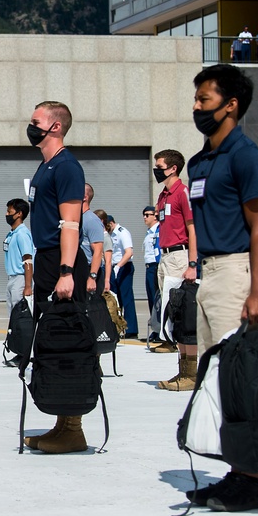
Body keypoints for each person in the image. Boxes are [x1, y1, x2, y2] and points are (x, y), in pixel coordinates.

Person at [184, 63, 258, 512]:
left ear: (231, 104)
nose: (197, 107)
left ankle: (253, 481)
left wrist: (257, 290)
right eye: (196, 99)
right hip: (209, 274)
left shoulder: (245, 155)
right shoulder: (200, 161)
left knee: (241, 378)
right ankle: (236, 472)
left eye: (204, 100)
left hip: (239, 272)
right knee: (217, 379)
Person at [23, 102, 91, 453]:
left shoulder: (67, 167)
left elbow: (71, 224)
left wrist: (67, 272)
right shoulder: (44, 167)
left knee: (69, 343)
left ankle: (73, 427)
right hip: (47, 259)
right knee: (49, 343)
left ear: (56, 127)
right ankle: (60, 421)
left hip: (63, 263)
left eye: (36, 121)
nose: (30, 126)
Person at [152, 148, 200, 383]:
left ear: (173, 168)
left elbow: (192, 228)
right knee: (172, 313)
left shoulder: (183, 192)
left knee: (184, 312)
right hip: (165, 256)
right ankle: (183, 368)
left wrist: (192, 263)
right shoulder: (163, 195)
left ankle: (191, 371)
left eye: (159, 167)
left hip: (180, 256)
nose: (156, 171)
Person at [2, 198, 34, 366]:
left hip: (20, 278)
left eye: (10, 211)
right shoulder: (12, 233)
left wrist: (28, 286)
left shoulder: (22, 233)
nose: (7, 214)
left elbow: (28, 260)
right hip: (11, 279)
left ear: (19, 213)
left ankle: (25, 354)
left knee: (21, 320)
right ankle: (18, 351)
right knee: (14, 320)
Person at [105, 214, 138, 338]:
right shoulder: (111, 234)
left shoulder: (122, 232)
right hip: (114, 267)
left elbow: (129, 252)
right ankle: (116, 328)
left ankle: (131, 329)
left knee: (126, 298)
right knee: (114, 300)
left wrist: (118, 266)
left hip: (124, 267)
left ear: (112, 223)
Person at [80, 184, 105, 294]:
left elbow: (98, 251)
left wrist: (92, 277)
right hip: (78, 270)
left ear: (85, 197)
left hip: (89, 271)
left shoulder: (91, 220)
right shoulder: (77, 218)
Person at [141, 205, 160, 341]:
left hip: (156, 266)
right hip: (149, 267)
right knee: (151, 300)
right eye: (144, 215)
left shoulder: (159, 230)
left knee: (157, 300)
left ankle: (160, 331)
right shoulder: (149, 232)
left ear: (155, 215)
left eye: (148, 214)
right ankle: (155, 329)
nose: (145, 217)